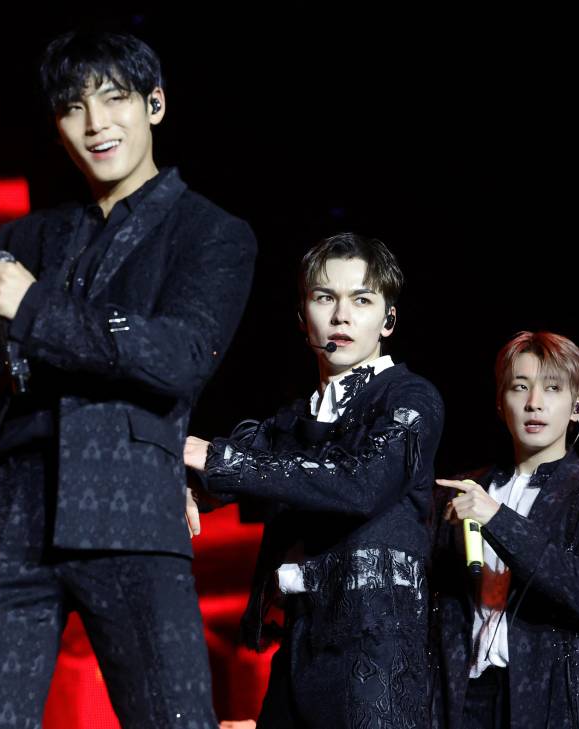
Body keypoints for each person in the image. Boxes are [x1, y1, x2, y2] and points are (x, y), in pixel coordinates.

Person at [0, 30, 256, 728]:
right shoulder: (26, 238)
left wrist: (32, 304)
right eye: (74, 108)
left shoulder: (211, 232)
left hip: (131, 502)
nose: (96, 123)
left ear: (155, 104)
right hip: (9, 508)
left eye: (114, 99)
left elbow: (180, 355)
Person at [185, 232, 443, 728]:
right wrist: (189, 486)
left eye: (361, 300)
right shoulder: (291, 420)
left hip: (377, 655)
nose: (341, 315)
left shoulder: (411, 398)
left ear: (388, 320)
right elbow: (238, 473)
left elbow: (362, 482)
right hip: (301, 647)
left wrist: (213, 456)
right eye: (325, 298)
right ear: (304, 319)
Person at [431, 331, 579, 729]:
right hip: (458, 701)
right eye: (520, 387)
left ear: (576, 406)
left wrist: (497, 519)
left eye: (552, 388)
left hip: (549, 705)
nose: (534, 403)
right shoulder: (460, 491)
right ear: (500, 403)